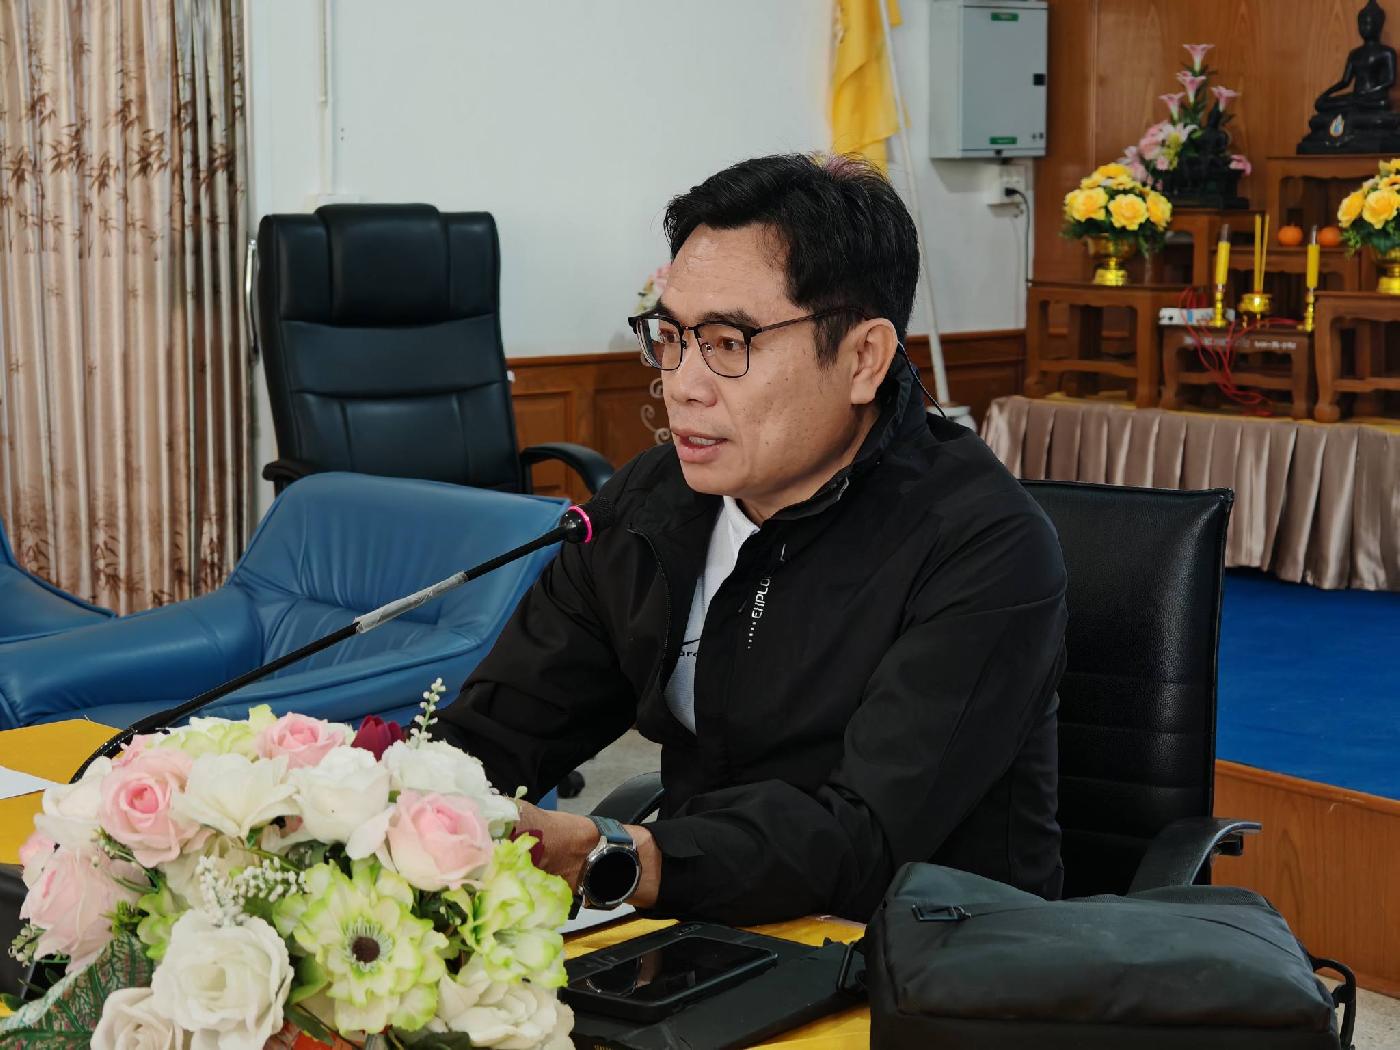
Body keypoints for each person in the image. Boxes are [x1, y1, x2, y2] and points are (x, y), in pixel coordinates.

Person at [437, 153, 1067, 925]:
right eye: (671, 336)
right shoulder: (651, 502)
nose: (682, 383)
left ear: (863, 358)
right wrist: (386, 799)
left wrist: (615, 854)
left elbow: (866, 840)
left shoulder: (982, 544)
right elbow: (505, 725)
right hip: (707, 924)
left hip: (927, 952)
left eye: (729, 342)